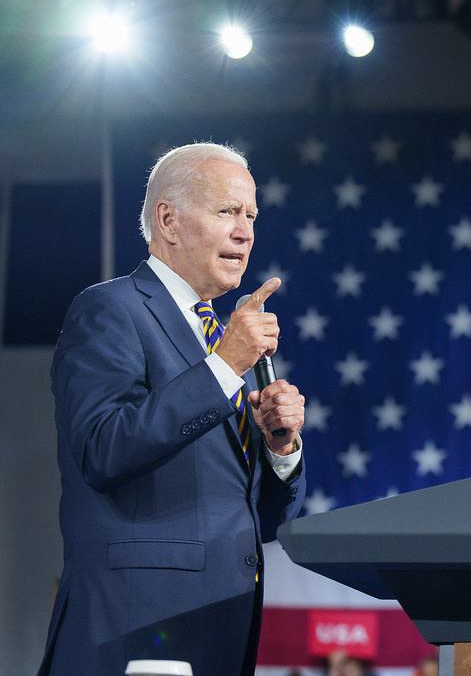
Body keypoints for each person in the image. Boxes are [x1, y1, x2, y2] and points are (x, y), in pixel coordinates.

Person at [37, 143, 307, 675]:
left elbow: (258, 521)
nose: (245, 232)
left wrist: (280, 448)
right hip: (133, 628)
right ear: (168, 220)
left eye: (251, 216)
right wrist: (223, 365)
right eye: (227, 211)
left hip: (219, 628)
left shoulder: (217, 337)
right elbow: (103, 450)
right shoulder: (110, 309)